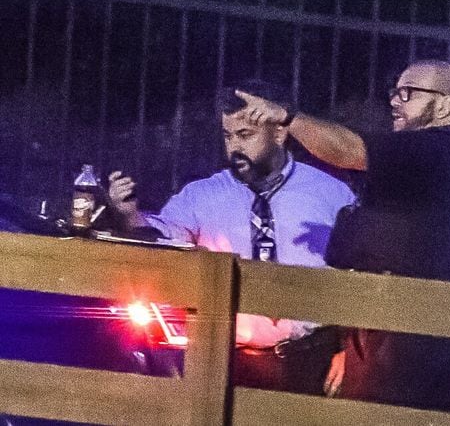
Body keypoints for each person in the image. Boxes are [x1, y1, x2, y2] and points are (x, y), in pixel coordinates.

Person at [232, 60, 450, 411]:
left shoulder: (428, 148)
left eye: (409, 93)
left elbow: (347, 151)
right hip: (435, 339)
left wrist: (287, 117)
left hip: (392, 333)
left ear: (444, 105)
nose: (395, 102)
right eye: (394, 92)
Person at [106, 79, 356, 397]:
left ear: (279, 133)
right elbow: (166, 240)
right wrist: (129, 216)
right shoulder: (204, 195)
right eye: (227, 136)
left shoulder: (329, 194)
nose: (233, 148)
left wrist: (348, 349)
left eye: (245, 135)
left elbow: (357, 274)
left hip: (311, 357)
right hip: (226, 360)